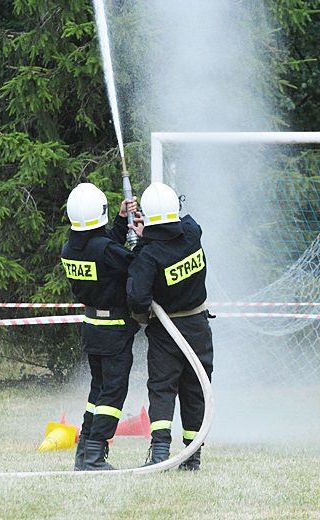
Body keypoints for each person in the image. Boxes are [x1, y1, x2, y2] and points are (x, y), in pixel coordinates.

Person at [126, 182, 214, 471]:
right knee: (196, 390)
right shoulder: (192, 233)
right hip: (198, 327)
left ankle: (160, 452)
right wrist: (150, 231)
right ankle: (192, 456)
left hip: (166, 332)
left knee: (162, 389)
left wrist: (141, 241)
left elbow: (138, 298)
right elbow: (183, 223)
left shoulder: (149, 255)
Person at [61, 182, 141, 471]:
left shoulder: (70, 248)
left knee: (98, 391)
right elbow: (137, 265)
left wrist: (121, 221)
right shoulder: (105, 249)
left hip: (92, 328)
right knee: (112, 393)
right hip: (114, 330)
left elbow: (105, 249)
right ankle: (95, 456)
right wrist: (142, 239)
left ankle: (84, 453)